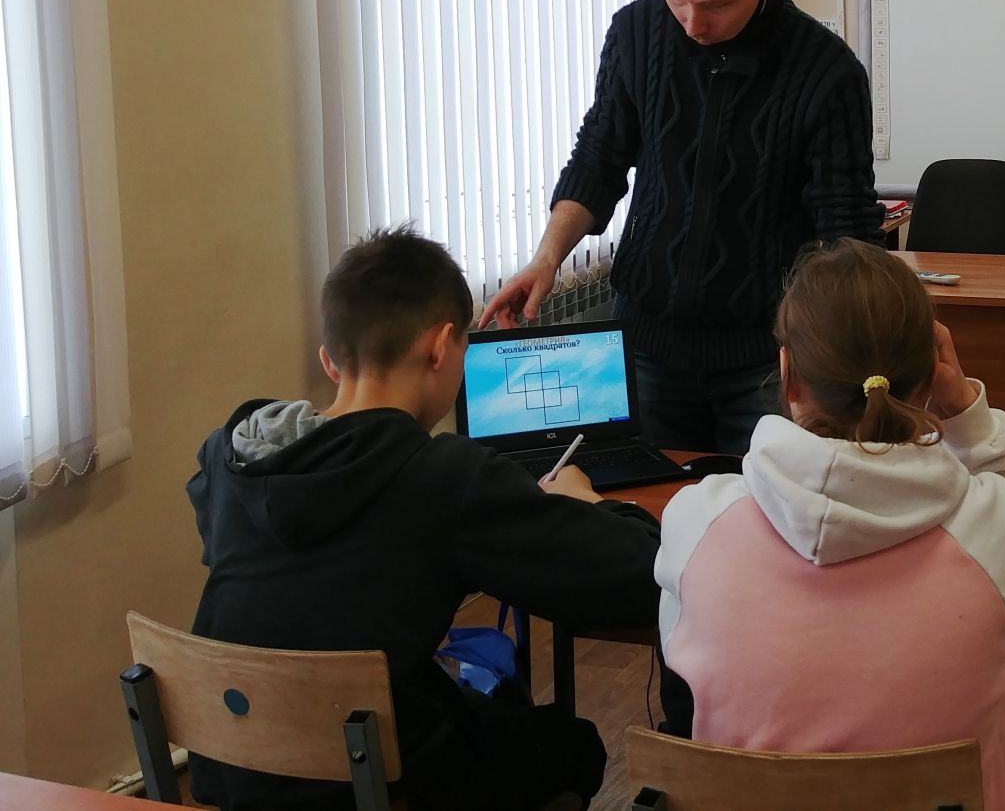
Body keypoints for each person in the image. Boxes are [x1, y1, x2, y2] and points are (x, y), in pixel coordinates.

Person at [185, 226, 660, 810]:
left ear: (331, 363)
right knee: (572, 745)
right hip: (367, 784)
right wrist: (586, 505)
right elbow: (639, 574)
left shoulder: (231, 456)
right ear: (440, 347)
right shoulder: (441, 478)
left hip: (236, 768)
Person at [653, 238, 1005, 811]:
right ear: (931, 375)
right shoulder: (990, 530)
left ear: (787, 374)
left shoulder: (698, 519)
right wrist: (968, 415)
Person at [481, 0, 883, 456]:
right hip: (645, 348)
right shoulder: (636, 34)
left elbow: (846, 232)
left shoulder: (827, 72)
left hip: (769, 362)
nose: (692, 23)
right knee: (640, 499)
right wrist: (546, 258)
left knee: (765, 507)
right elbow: (598, 157)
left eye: (717, 5)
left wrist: (843, 358)